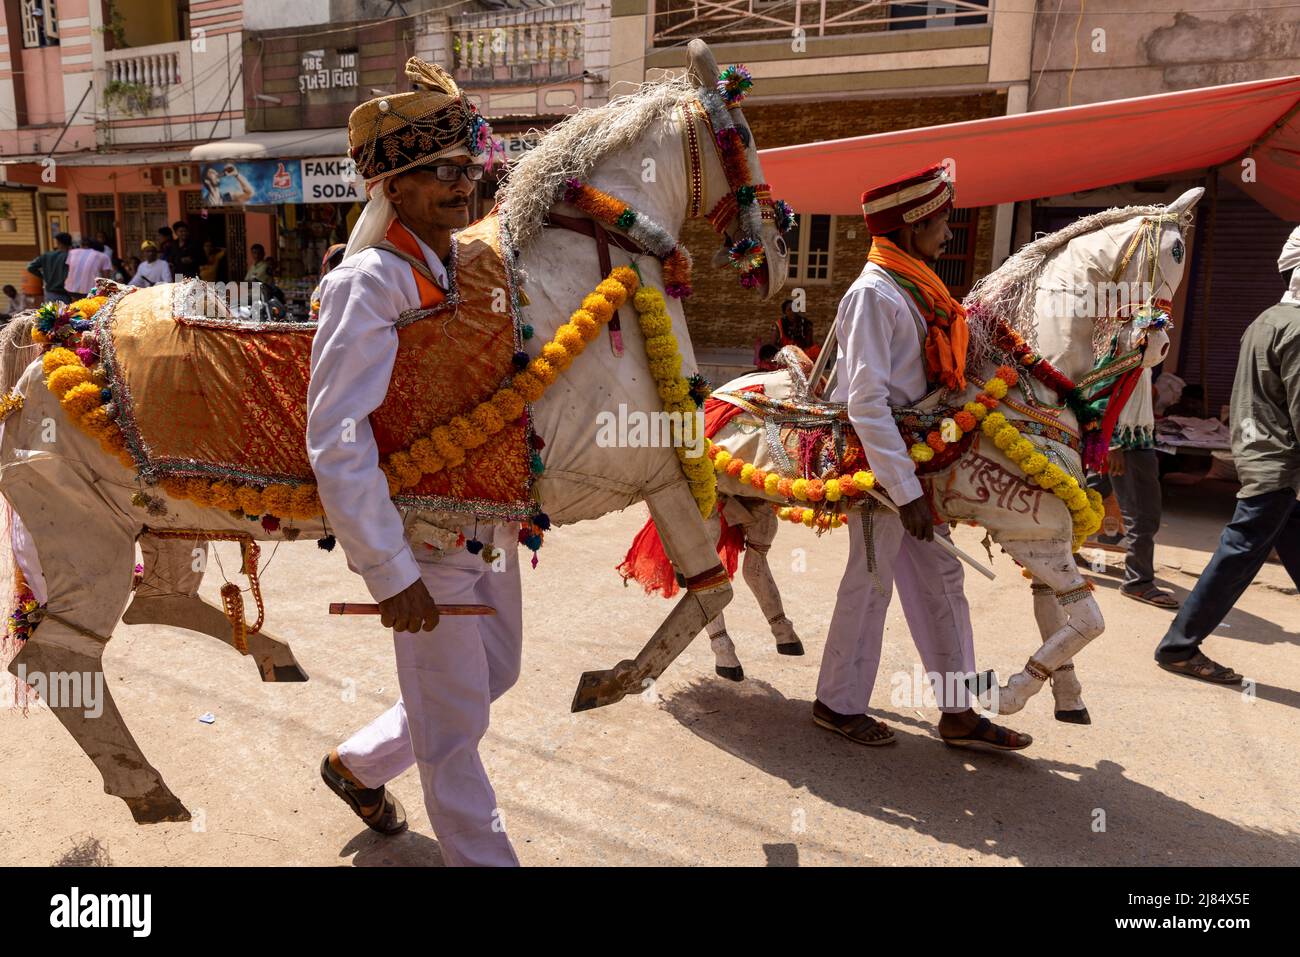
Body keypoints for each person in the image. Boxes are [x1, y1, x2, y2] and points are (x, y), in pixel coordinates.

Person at [307, 57, 522, 865]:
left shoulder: (457, 268)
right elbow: (335, 432)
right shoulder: (370, 280)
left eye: (465, 167)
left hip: (486, 524)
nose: (459, 185)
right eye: (437, 172)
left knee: (493, 675)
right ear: (392, 187)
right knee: (455, 727)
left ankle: (356, 763)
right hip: (423, 540)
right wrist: (388, 572)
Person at [814, 163, 1031, 751]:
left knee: (943, 576)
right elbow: (865, 402)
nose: (949, 234)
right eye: (941, 223)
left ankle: (960, 712)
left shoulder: (917, 287)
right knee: (869, 580)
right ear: (911, 229)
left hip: (917, 461)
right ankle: (837, 703)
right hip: (878, 465)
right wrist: (905, 492)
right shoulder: (872, 294)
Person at [1154, 227, 1300, 684]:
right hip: (1281, 465)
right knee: (1238, 554)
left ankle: (1180, 645)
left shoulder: (1267, 320)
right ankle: (1179, 647)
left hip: (1263, 455)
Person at [1086, 367, 1179, 608]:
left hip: (1135, 439)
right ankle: (1138, 582)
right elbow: (1100, 394)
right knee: (1142, 516)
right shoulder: (1130, 345)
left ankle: (1051, 548)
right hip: (1128, 446)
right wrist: (1112, 445)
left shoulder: (1143, 354)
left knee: (1088, 497)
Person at [26, 232, 73, 304]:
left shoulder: (47, 255)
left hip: (49, 292)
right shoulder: (70, 257)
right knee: (65, 314)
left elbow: (30, 267)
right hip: (64, 293)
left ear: (58, 242)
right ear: (70, 243)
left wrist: (43, 276)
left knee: (50, 313)